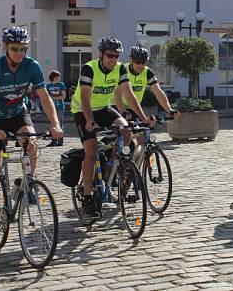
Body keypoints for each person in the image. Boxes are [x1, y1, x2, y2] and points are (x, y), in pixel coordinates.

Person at [0, 27, 63, 242]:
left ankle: (28, 182)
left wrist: (55, 123)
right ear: (5, 48)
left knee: (31, 141)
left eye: (22, 49)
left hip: (18, 114)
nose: (18, 53)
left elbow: (44, 97)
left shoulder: (31, 66)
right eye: (14, 48)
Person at [70, 36, 154, 218]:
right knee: (91, 153)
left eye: (116, 56)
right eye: (110, 55)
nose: (113, 60)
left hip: (104, 108)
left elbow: (129, 95)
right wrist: (89, 120)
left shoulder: (120, 69)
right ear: (101, 54)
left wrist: (144, 118)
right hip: (82, 110)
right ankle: (87, 197)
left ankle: (118, 162)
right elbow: (84, 98)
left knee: (127, 130)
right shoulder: (89, 68)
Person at [115, 45, 179, 120]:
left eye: (143, 62)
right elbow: (117, 95)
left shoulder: (148, 72)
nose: (140, 65)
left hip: (135, 107)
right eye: (137, 62)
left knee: (143, 129)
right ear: (131, 60)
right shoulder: (123, 70)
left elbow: (158, 92)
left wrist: (169, 110)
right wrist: (123, 112)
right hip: (118, 106)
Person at [46, 70, 66, 146]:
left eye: (59, 77)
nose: (58, 78)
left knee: (59, 123)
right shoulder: (48, 86)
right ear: (53, 77)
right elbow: (47, 97)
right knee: (52, 124)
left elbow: (64, 96)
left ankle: (60, 141)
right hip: (51, 107)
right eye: (57, 77)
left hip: (60, 107)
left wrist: (54, 97)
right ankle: (53, 141)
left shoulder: (61, 85)